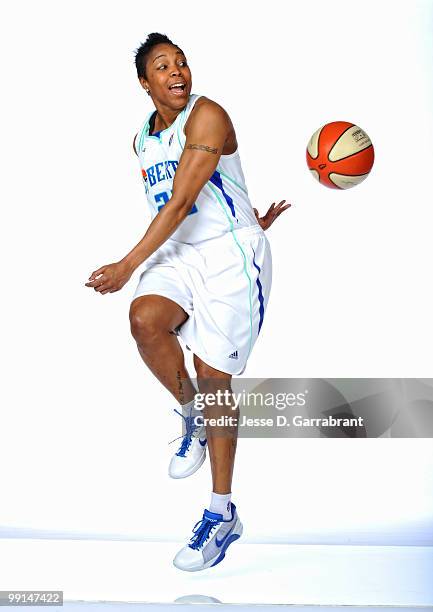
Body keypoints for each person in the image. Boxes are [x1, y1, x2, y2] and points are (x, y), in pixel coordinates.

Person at [85, 32, 290, 571]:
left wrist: (127, 265)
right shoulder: (142, 139)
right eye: (162, 66)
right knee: (145, 320)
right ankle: (189, 412)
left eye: (181, 62)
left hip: (229, 255)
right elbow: (182, 202)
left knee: (213, 376)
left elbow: (181, 201)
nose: (177, 71)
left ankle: (222, 513)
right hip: (181, 252)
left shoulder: (208, 114)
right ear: (144, 83)